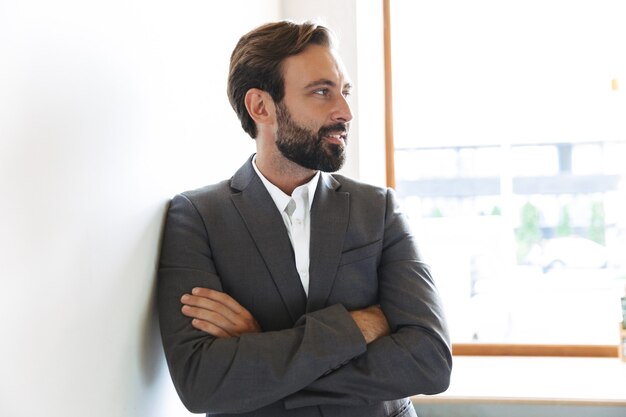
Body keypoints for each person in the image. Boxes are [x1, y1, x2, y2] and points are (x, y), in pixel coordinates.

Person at [157, 21, 452, 417]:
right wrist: (356, 329)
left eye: (344, 92)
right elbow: (201, 382)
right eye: (321, 92)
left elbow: (430, 361)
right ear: (261, 106)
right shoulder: (197, 218)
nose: (345, 111)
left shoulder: (378, 209)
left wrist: (264, 348)